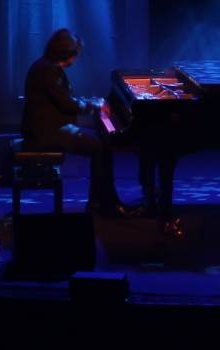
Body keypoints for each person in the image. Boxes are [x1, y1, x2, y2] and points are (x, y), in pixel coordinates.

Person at [22, 28, 137, 217]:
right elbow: (67, 103)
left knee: (104, 143)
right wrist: (94, 106)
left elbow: (63, 98)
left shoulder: (47, 66)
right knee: (99, 147)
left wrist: (90, 103)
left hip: (50, 126)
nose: (75, 60)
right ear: (67, 54)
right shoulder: (49, 70)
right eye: (75, 55)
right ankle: (104, 204)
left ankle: (101, 201)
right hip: (44, 132)